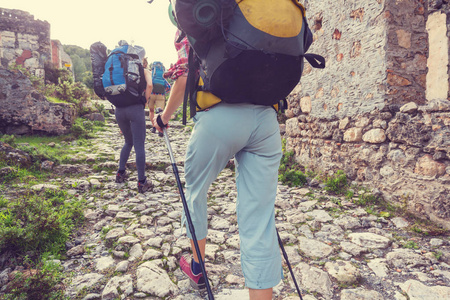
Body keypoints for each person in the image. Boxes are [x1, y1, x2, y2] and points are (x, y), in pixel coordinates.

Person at [153, 29, 282, 300]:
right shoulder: (256, 13)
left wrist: (164, 118)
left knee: (196, 192)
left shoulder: (199, 13)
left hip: (218, 115)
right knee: (260, 217)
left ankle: (198, 267)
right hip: (266, 120)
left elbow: (184, 75)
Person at [111, 41, 154, 194]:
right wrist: (144, 101)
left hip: (119, 109)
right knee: (139, 145)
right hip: (135, 109)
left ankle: (120, 173)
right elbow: (149, 86)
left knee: (128, 142)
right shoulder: (143, 69)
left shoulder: (121, 69)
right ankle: (142, 182)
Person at [145, 59, 171, 137]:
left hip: (151, 94)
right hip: (161, 96)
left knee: (151, 111)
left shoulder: (151, 76)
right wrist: (164, 92)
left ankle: (153, 127)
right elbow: (169, 87)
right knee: (160, 112)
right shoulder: (163, 78)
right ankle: (161, 130)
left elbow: (147, 85)